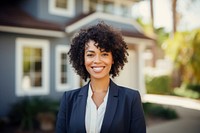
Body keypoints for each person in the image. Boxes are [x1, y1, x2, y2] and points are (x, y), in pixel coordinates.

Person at [56, 22, 146, 133]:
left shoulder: (131, 99)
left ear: (113, 59)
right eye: (90, 54)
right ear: (82, 59)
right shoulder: (68, 99)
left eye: (104, 54)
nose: (97, 60)